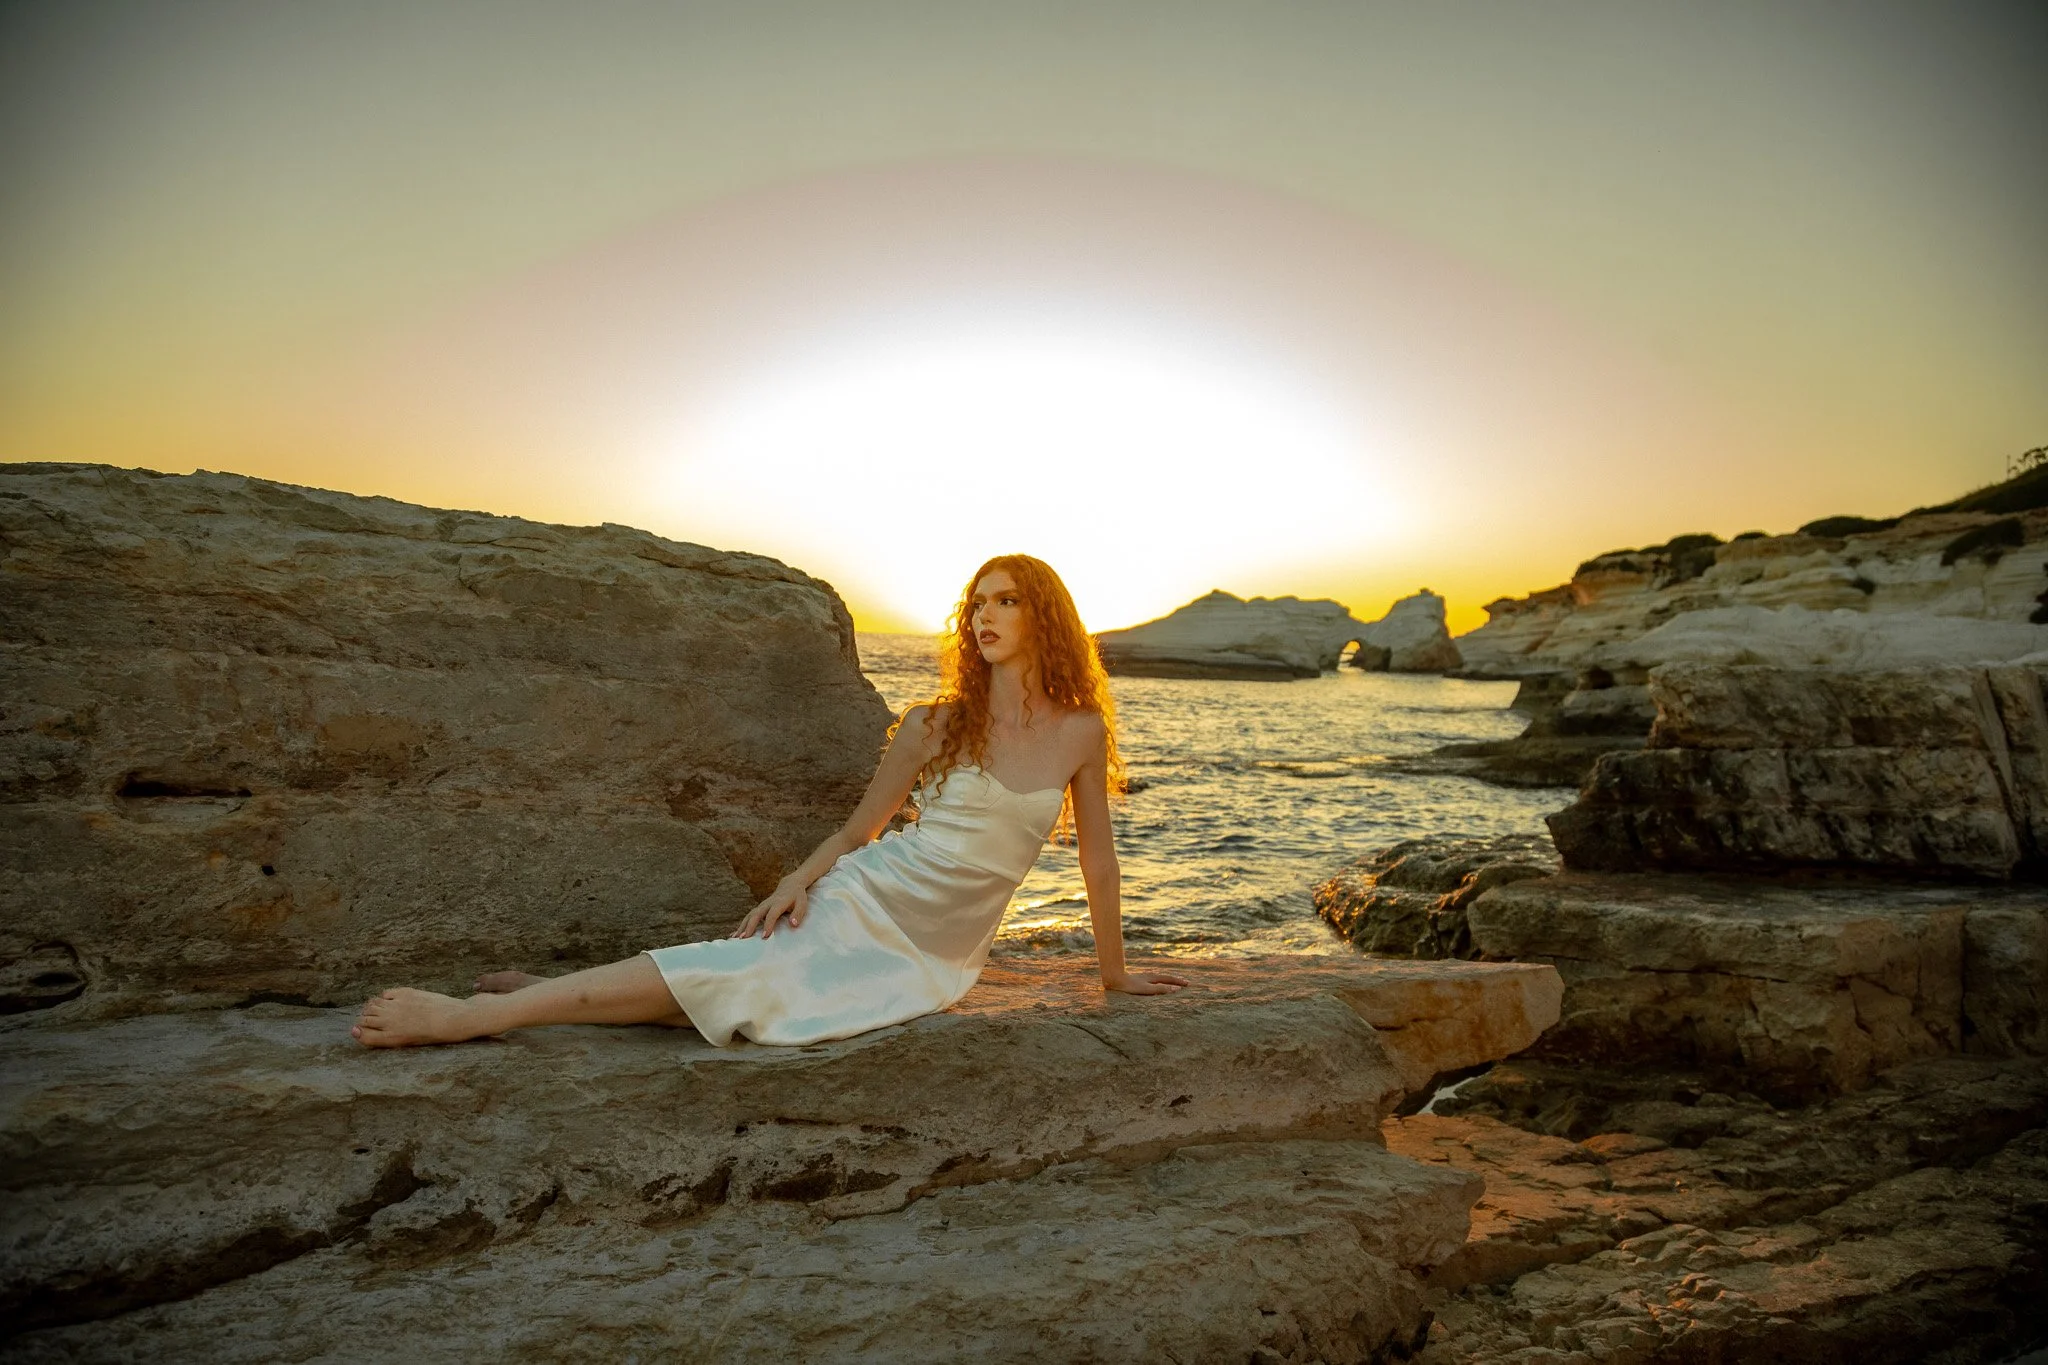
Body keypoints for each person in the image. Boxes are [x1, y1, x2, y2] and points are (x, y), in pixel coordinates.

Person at [352, 553, 1188, 1049]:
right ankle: (469, 1019)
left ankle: (555, 992)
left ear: (1045, 613)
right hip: (872, 900)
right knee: (751, 982)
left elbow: (1098, 861)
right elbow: (861, 830)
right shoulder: (935, 724)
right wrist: (798, 882)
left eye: (1006, 599)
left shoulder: (1081, 731)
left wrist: (1114, 976)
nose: (984, 616)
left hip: (940, 952)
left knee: (761, 1001)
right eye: (976, 602)